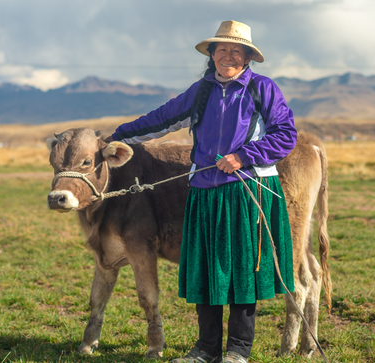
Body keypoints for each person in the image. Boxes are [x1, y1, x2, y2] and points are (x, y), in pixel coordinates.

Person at [108, 20, 296, 363]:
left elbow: (285, 135)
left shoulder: (262, 88)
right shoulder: (202, 91)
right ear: (211, 54)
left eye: (236, 50)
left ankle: (237, 351)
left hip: (246, 191)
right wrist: (116, 136)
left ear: (248, 57)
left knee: (242, 272)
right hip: (205, 191)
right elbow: (161, 119)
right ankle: (205, 350)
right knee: (207, 271)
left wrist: (243, 156)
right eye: (221, 49)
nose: (228, 55)